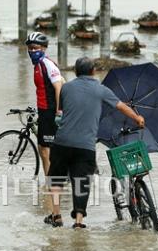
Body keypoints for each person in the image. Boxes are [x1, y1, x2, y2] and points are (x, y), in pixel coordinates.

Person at [44, 57, 145, 229]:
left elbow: (63, 112)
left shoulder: (66, 88)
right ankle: (78, 221)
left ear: (76, 72)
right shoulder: (101, 90)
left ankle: (56, 215)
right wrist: (137, 118)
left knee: (56, 178)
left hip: (62, 142)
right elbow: (121, 106)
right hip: (85, 146)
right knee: (81, 182)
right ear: (93, 71)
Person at [25, 32, 63, 176]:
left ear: (44, 48)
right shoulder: (38, 65)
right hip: (43, 110)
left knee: (46, 149)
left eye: (35, 48)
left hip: (50, 111)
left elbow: (59, 86)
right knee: (42, 147)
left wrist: (59, 111)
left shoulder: (47, 64)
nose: (32, 51)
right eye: (30, 48)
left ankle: (51, 182)